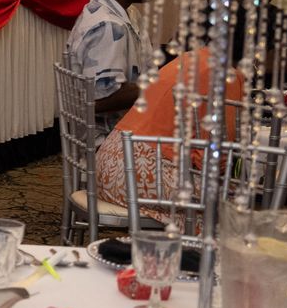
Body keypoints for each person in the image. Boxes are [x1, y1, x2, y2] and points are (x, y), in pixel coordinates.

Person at [93, 48, 244, 225]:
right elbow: (213, 160)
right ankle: (195, 241)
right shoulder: (227, 76)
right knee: (232, 199)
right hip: (137, 177)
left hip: (109, 164)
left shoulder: (191, 57)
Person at [65, 0, 147, 132]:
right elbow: (100, 99)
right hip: (107, 139)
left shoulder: (126, 12)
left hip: (125, 130)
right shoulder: (107, 26)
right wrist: (158, 87)